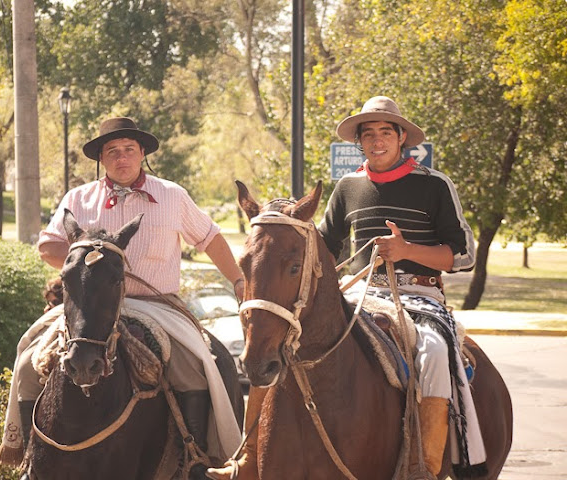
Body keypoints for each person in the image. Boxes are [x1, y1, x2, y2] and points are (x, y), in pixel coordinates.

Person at [208, 96, 486, 480]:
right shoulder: (348, 186)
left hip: (419, 296)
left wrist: (406, 250)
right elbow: (323, 245)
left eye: (385, 132)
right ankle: (249, 456)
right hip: (360, 292)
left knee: (435, 353)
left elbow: (465, 255)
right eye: (368, 134)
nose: (377, 141)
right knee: (278, 342)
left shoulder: (435, 185)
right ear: (359, 142)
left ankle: (423, 465)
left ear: (402, 137)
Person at [0, 117, 245, 479]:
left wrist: (238, 280)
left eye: (129, 149)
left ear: (142, 153)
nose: (122, 157)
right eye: (112, 151)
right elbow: (49, 247)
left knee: (204, 362)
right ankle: (30, 455)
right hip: (88, 306)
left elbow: (210, 240)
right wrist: (84, 258)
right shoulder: (77, 198)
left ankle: (196, 458)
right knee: (26, 357)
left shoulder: (172, 195)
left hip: (156, 305)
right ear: (101, 158)